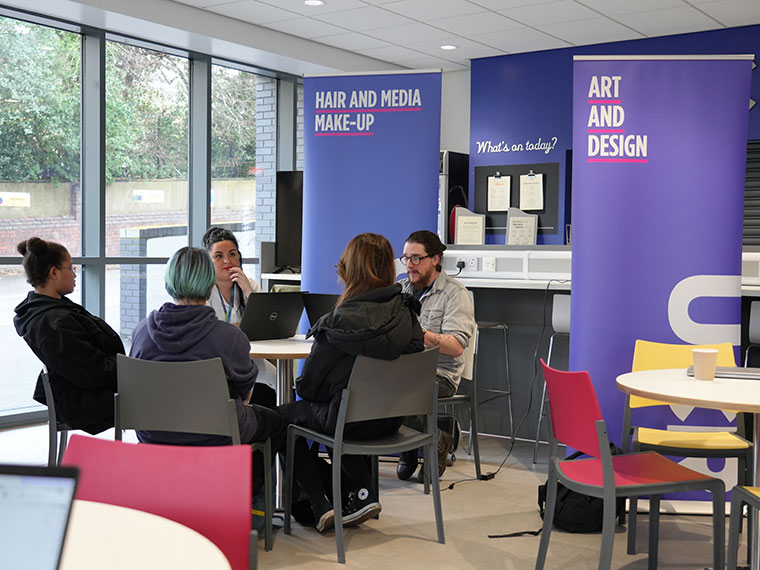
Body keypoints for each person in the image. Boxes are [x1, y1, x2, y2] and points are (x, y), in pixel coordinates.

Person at [130, 246, 335, 531]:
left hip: (154, 433)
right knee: (276, 422)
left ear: (168, 281)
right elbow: (245, 395)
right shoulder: (228, 336)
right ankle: (255, 514)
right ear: (210, 282)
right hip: (216, 434)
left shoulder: (142, 331)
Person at [278, 233, 424, 528]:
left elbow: (306, 387)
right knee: (339, 406)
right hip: (391, 418)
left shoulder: (336, 325)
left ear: (349, 272)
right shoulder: (407, 314)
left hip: (348, 422)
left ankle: (319, 502)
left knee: (280, 419)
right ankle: (360, 492)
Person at [13, 237, 125, 434]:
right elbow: (93, 372)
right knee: (162, 395)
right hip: (87, 402)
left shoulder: (48, 310)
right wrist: (131, 366)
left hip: (84, 392)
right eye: (71, 268)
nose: (75, 275)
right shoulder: (52, 322)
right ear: (54, 272)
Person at [396, 230, 476, 481]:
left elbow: (455, 346)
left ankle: (435, 440)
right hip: (402, 370)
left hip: (440, 374)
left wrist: (419, 333)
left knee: (401, 391)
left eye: (416, 258)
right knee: (371, 386)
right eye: (406, 258)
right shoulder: (400, 288)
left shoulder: (455, 293)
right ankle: (423, 440)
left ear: (436, 259)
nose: (410, 265)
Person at [202, 226, 276, 407]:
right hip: (216, 361)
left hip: (250, 358)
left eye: (232, 254)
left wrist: (248, 292)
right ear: (209, 262)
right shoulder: (203, 290)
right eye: (219, 256)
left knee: (279, 382)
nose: (227, 260)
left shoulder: (250, 285)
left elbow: (266, 328)